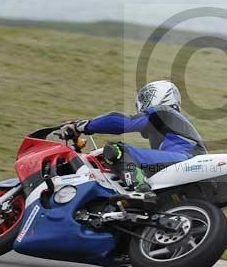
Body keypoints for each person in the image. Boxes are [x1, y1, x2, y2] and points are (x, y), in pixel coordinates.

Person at [59, 80, 207, 193]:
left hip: (186, 158)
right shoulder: (172, 124)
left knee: (117, 150)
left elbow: (121, 122)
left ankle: (140, 190)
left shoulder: (162, 112)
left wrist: (82, 126)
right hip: (189, 163)